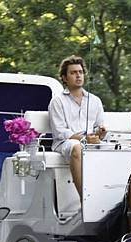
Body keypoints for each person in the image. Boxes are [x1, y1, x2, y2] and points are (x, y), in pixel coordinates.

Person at [48, 55, 107, 197]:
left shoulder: (95, 100)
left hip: (90, 142)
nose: (78, 75)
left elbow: (100, 128)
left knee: (117, 149)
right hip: (65, 143)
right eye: (73, 73)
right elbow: (61, 133)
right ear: (64, 78)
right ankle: (85, 200)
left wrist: (101, 133)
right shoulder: (57, 101)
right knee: (77, 147)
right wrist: (86, 139)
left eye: (80, 72)